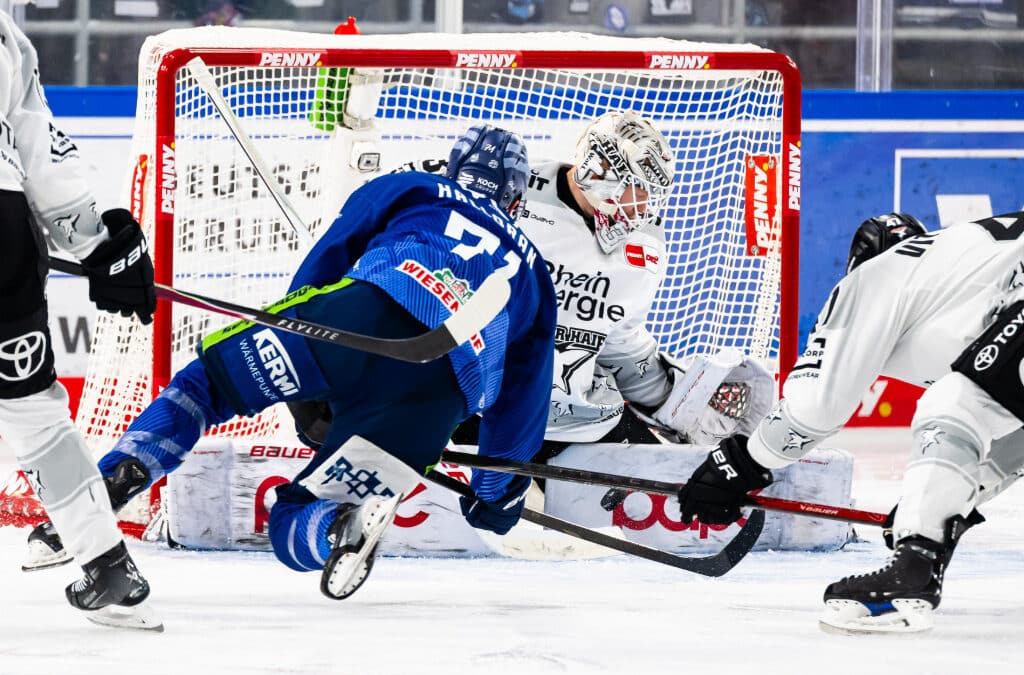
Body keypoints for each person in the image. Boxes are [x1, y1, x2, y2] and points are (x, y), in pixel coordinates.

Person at [30, 125, 555, 600]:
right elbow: (524, 394)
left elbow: (326, 262)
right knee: (290, 517)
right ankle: (335, 529)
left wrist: (307, 383)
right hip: (441, 391)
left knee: (206, 387)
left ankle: (125, 471)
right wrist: (496, 494)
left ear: (454, 166)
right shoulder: (534, 271)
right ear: (515, 198)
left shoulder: (412, 187)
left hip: (360, 315)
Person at [675, 210, 1024, 633]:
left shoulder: (878, 274)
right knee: (971, 402)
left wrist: (739, 465)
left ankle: (912, 572)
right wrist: (936, 502)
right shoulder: (964, 273)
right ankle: (921, 545)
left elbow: (816, 408)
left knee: (953, 402)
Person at [451, 111, 774, 478]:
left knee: (685, 498)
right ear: (599, 167)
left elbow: (618, 341)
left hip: (582, 419)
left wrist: (673, 397)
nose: (641, 206)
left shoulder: (645, 242)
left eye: (651, 193)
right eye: (636, 186)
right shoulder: (513, 194)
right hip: (479, 410)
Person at [0, 10, 157, 628]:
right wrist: (96, 243)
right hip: (4, 223)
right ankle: (106, 560)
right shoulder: (7, 36)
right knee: (34, 409)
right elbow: (39, 146)